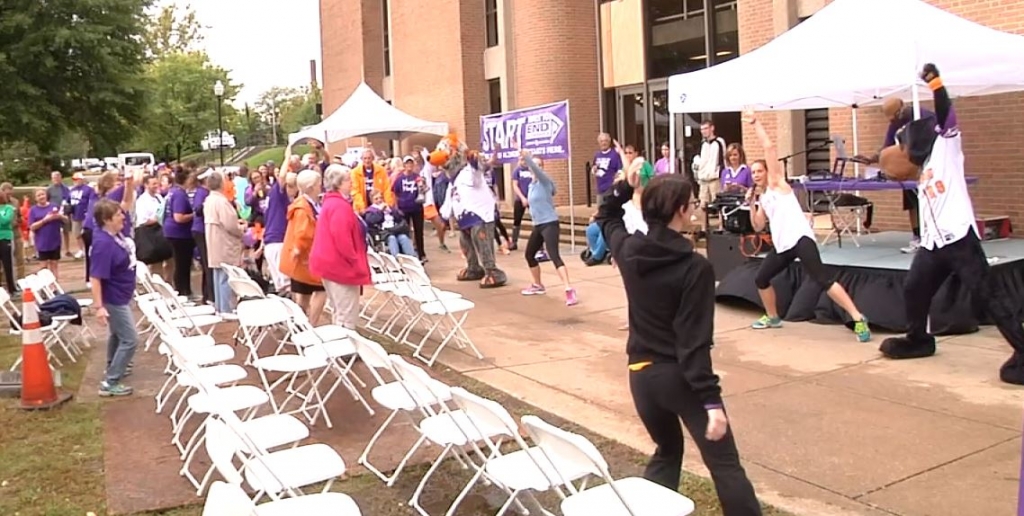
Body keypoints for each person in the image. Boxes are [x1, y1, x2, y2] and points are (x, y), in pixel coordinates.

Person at [595, 174, 761, 514]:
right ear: (681, 210)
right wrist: (711, 402)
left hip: (641, 377)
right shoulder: (695, 268)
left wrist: (625, 185)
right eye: (692, 203)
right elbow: (693, 342)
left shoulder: (629, 251)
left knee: (668, 450)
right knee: (725, 464)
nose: (695, 208)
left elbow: (606, 214)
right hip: (678, 378)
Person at [877, 63, 1024, 385]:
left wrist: (936, 84)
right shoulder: (924, 166)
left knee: (988, 295)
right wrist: (896, 118)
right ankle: (918, 338)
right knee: (915, 288)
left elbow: (947, 116)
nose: (903, 149)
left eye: (906, 142)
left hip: (959, 239)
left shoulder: (946, 148)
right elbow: (891, 146)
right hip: (933, 244)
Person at [744, 109, 871, 342]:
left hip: (800, 238)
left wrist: (755, 123)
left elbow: (769, 148)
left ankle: (858, 318)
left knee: (823, 278)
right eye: (753, 173)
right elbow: (759, 225)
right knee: (761, 278)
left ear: (768, 172)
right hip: (783, 247)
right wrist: (752, 204)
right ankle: (772, 317)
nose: (756, 175)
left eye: (759, 170)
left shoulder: (777, 183)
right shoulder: (762, 197)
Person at [856, 97, 936, 254]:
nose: (894, 121)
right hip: (908, 171)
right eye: (892, 119)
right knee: (912, 205)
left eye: (896, 116)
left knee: (928, 203)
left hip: (928, 167)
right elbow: (887, 146)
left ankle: (932, 236)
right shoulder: (895, 123)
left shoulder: (925, 116)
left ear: (903, 108)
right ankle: (917, 237)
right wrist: (871, 159)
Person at [309, 165, 371, 329]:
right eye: (347, 180)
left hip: (331, 264)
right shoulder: (339, 206)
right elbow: (342, 239)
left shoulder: (332, 203)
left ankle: (340, 349)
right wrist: (355, 260)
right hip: (341, 267)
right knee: (347, 314)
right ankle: (345, 351)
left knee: (339, 311)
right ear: (338, 183)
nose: (351, 183)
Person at [90, 199, 139, 397]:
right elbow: (95, 277)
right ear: (107, 219)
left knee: (117, 335)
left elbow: (127, 201)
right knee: (130, 339)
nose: (123, 217)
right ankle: (111, 381)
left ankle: (114, 367)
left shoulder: (112, 235)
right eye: (119, 215)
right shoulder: (103, 244)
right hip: (114, 298)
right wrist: (99, 307)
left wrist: (129, 183)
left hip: (121, 294)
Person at [518, 149, 578, 306]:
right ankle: (538, 285)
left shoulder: (545, 182)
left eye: (539, 165)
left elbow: (535, 168)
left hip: (550, 223)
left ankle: (569, 289)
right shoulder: (532, 185)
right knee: (529, 254)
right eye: (534, 165)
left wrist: (526, 156)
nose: (536, 167)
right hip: (538, 225)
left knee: (554, 255)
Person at [280, 169, 327, 326]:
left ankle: (301, 324)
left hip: (305, 258)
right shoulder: (303, 208)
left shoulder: (307, 204)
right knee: (321, 289)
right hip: (305, 259)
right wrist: (299, 249)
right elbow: (303, 233)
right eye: (319, 184)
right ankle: (311, 325)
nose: (321, 186)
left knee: (304, 295)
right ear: (311, 187)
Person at [203, 171, 243, 317]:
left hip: (214, 241)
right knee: (226, 276)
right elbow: (230, 224)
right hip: (223, 242)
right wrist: (241, 231)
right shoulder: (221, 201)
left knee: (218, 276)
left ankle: (221, 307)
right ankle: (226, 308)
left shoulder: (209, 200)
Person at [163, 166, 197, 298]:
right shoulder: (180, 195)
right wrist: (194, 215)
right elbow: (179, 217)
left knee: (180, 262)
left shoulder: (172, 191)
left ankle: (183, 289)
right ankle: (183, 291)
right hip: (179, 233)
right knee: (183, 263)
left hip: (172, 231)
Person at [392, 156, 428, 261]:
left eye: (411, 164)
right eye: (407, 164)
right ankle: (407, 253)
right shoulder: (399, 179)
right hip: (404, 208)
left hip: (416, 208)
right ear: (404, 165)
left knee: (419, 231)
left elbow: (423, 190)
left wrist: (423, 186)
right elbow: (395, 192)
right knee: (405, 231)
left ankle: (421, 253)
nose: (409, 166)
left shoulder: (417, 177)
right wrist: (396, 206)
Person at [28, 188, 67, 279]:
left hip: (55, 240)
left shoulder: (54, 206)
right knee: (43, 267)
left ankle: (55, 287)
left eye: (43, 194)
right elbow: (32, 227)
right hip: (42, 242)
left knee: (54, 265)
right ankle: (46, 288)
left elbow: (66, 221)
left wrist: (60, 216)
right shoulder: (33, 210)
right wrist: (45, 220)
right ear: (35, 198)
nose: (41, 197)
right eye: (39, 195)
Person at [365, 190, 417, 257]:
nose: (379, 200)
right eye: (376, 199)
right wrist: (380, 211)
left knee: (403, 237)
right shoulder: (370, 211)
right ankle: (396, 259)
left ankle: (412, 258)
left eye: (380, 198)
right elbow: (373, 221)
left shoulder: (388, 207)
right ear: (372, 200)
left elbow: (399, 218)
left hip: (395, 229)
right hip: (383, 232)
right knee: (392, 238)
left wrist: (391, 211)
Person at [191, 169, 215, 304]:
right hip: (201, 230)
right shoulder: (202, 192)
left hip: (202, 230)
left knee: (208, 263)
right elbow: (198, 210)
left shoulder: (204, 192)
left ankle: (208, 295)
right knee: (208, 263)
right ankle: (210, 296)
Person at [351, 149, 394, 213]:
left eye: (369, 158)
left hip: (379, 205)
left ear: (373, 159)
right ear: (361, 159)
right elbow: (355, 191)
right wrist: (362, 207)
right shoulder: (355, 172)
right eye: (365, 158)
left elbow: (387, 189)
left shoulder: (381, 170)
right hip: (362, 207)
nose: (367, 161)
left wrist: (388, 204)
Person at [46, 171, 73, 258]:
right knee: (54, 231)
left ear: (61, 178)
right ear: (52, 179)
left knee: (66, 231)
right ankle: (55, 249)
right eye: (54, 178)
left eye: (58, 177)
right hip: (54, 212)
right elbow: (47, 201)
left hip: (64, 212)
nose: (56, 179)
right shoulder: (49, 189)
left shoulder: (66, 189)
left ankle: (67, 250)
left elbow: (69, 200)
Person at [591, 133, 623, 204]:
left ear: (609, 142)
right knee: (600, 211)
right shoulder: (597, 155)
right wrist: (594, 170)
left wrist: (617, 178)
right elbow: (593, 169)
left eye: (605, 141)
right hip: (600, 189)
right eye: (601, 141)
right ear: (599, 143)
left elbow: (620, 169)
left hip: (611, 189)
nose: (603, 143)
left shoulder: (615, 154)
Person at [69, 172, 94, 260]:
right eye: (74, 179)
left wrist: (89, 212)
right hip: (75, 215)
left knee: (87, 233)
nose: (75, 181)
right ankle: (81, 249)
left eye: (76, 179)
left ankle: (90, 249)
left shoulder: (88, 189)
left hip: (85, 215)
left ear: (81, 180)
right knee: (77, 233)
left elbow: (91, 201)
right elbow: (68, 201)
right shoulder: (72, 190)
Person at [0, 191, 16, 292]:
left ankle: (12, 289)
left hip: (5, 238)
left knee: (7, 264)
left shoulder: (8, 208)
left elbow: (5, 221)